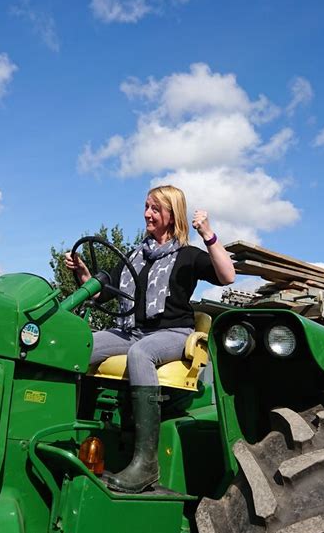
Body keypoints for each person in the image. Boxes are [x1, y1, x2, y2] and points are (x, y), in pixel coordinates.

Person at [65, 185, 235, 494]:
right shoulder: (135, 256)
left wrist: (208, 234)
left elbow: (227, 276)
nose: (147, 214)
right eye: (146, 207)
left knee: (141, 354)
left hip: (172, 333)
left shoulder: (188, 256)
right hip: (131, 331)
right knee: (82, 345)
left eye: (155, 209)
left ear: (172, 216)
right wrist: (84, 274)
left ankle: (145, 464)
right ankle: (72, 437)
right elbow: (104, 291)